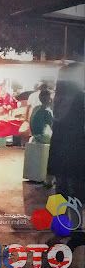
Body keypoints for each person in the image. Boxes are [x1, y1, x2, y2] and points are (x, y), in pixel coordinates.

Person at [48, 63, 85, 206]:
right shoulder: (80, 98)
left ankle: (60, 224)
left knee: (61, 186)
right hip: (76, 147)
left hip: (59, 146)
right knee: (77, 189)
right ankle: (76, 225)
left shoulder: (57, 99)